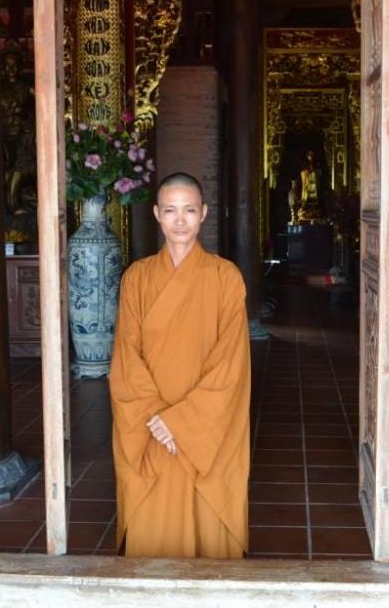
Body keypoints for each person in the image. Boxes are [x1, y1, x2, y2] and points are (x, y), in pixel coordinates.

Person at [109, 172, 251, 558]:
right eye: (170, 211)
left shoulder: (226, 278)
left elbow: (231, 364)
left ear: (203, 213)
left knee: (207, 524)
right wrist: (157, 419)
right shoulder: (137, 278)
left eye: (189, 210)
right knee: (153, 525)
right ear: (157, 214)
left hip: (205, 428)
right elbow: (125, 357)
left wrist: (182, 421)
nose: (180, 220)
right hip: (150, 425)